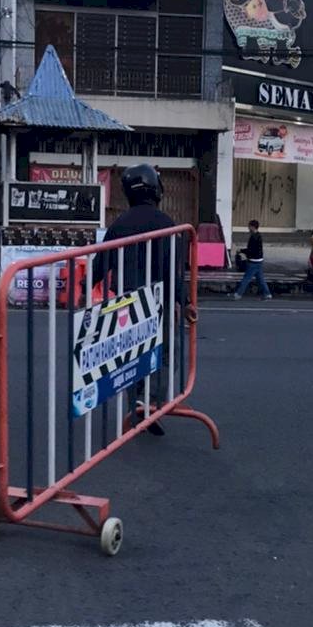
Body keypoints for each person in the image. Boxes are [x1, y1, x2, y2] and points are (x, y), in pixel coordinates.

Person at [95, 164, 196, 435]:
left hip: (126, 302)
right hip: (157, 301)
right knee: (166, 353)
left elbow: (101, 262)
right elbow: (172, 270)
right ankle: (150, 402)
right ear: (155, 189)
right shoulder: (166, 224)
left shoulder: (119, 224)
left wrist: (83, 287)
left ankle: (136, 411)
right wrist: (184, 301)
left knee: (132, 356)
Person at [234, 220, 272, 300]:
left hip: (253, 261)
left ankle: (238, 294)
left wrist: (241, 251)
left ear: (253, 227)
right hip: (259, 260)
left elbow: (251, 250)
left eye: (249, 226)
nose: (248, 228)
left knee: (246, 278)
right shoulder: (259, 236)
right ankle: (267, 293)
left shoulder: (253, 237)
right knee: (260, 279)